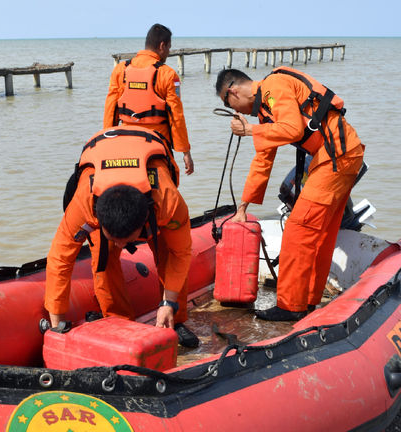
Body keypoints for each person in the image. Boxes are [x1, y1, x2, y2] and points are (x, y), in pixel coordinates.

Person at [215, 67, 365, 321]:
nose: (235, 111)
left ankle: (290, 306)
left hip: (336, 156)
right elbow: (263, 159)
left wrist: (250, 130)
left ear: (233, 91)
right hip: (339, 155)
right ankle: (307, 300)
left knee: (299, 229)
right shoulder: (265, 113)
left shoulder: (274, 87)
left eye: (228, 103)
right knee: (320, 234)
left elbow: (293, 129)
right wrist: (243, 207)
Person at [44, 126, 199, 348]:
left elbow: (181, 253)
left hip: (148, 153)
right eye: (115, 239)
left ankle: (176, 318)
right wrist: (56, 322)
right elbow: (60, 258)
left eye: (126, 241)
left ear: (145, 220)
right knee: (102, 258)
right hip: (102, 166)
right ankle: (118, 321)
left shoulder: (167, 202)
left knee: (167, 251)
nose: (120, 245)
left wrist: (168, 302)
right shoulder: (85, 205)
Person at [104, 23, 194, 177]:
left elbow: (110, 109)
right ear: (162, 46)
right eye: (169, 48)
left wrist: (106, 140)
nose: (168, 52)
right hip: (157, 143)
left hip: (126, 141)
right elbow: (176, 116)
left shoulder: (120, 70)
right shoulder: (168, 75)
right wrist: (185, 152)